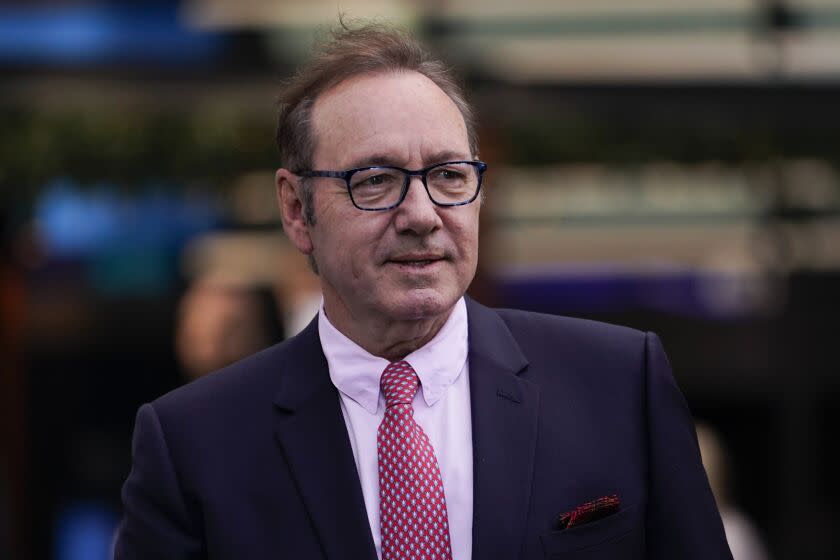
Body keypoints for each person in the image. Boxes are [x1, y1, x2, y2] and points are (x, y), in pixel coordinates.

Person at [115, 24, 732, 560]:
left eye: (447, 175)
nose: (422, 213)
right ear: (296, 210)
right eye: (377, 180)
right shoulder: (194, 444)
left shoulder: (617, 386)